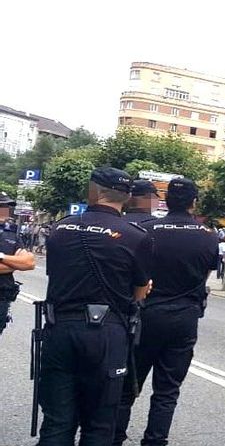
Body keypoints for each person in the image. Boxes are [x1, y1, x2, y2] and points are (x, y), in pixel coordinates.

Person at [38, 167, 152, 445]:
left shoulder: (60, 228)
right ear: (126, 197)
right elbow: (139, 292)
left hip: (60, 328)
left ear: (95, 191)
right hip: (107, 334)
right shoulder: (136, 236)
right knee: (100, 424)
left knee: (57, 422)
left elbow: (56, 274)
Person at [114, 177, 216, 446]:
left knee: (127, 386)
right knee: (167, 390)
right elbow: (203, 277)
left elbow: (135, 275)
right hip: (184, 317)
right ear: (194, 202)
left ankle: (115, 437)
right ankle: (155, 441)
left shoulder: (147, 230)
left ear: (166, 201)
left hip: (146, 315)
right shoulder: (208, 236)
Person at [0, 192, 36, 336]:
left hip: (2, 297)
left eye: (7, 206)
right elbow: (21, 263)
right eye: (2, 206)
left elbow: (29, 262)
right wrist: (15, 263)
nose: (5, 210)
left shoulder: (11, 234)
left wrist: (2, 257)